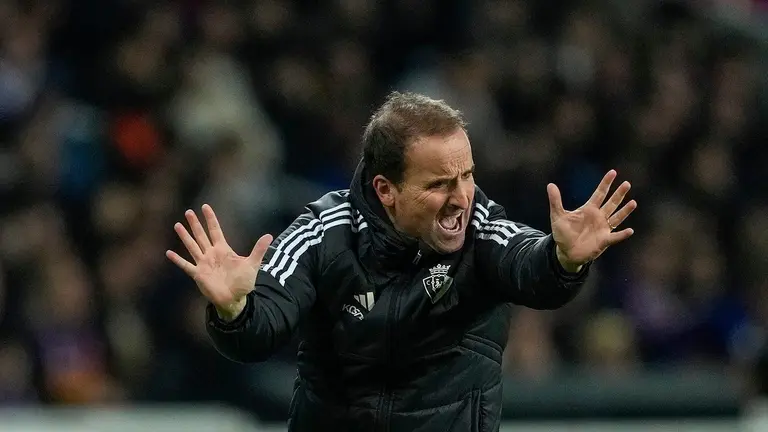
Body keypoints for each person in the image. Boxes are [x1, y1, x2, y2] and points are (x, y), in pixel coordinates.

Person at [166, 92, 637, 431]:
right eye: (438, 185)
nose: (461, 198)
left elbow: (529, 266)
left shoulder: (481, 230)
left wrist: (563, 260)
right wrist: (234, 311)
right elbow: (260, 329)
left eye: (467, 176)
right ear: (385, 190)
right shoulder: (323, 234)